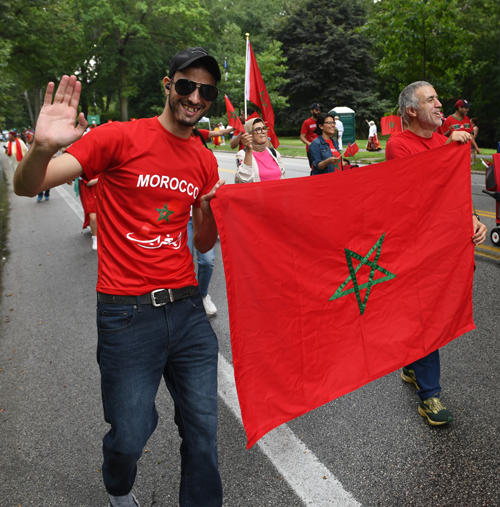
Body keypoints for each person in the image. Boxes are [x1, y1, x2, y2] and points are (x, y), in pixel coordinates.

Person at [14, 47, 225, 507]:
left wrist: (207, 214)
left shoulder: (204, 160)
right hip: (126, 315)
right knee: (129, 435)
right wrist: (43, 147)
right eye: (187, 85)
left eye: (205, 90)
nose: (195, 97)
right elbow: (27, 186)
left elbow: (204, 243)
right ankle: (117, 487)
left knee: (204, 435)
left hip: (187, 311)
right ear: (167, 85)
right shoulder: (118, 137)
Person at [385, 81, 487, 426]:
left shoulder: (446, 143)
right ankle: (429, 396)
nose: (440, 105)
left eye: (439, 99)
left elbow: (455, 192)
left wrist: (473, 218)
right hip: (417, 249)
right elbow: (420, 187)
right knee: (427, 315)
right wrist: (448, 151)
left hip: (447, 246)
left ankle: (413, 365)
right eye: (431, 100)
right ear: (412, 111)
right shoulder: (398, 144)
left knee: (440, 311)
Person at [235, 117, 285, 183]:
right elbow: (244, 179)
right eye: (258, 129)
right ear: (249, 134)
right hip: (258, 193)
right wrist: (249, 149)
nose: (263, 132)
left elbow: (282, 177)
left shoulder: (274, 153)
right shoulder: (242, 155)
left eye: (264, 128)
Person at [300, 103, 321, 168]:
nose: (318, 112)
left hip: (322, 148)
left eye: (319, 110)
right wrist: (309, 144)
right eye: (316, 110)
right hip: (312, 149)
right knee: (314, 167)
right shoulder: (307, 122)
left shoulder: (322, 121)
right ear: (311, 111)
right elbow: (302, 136)